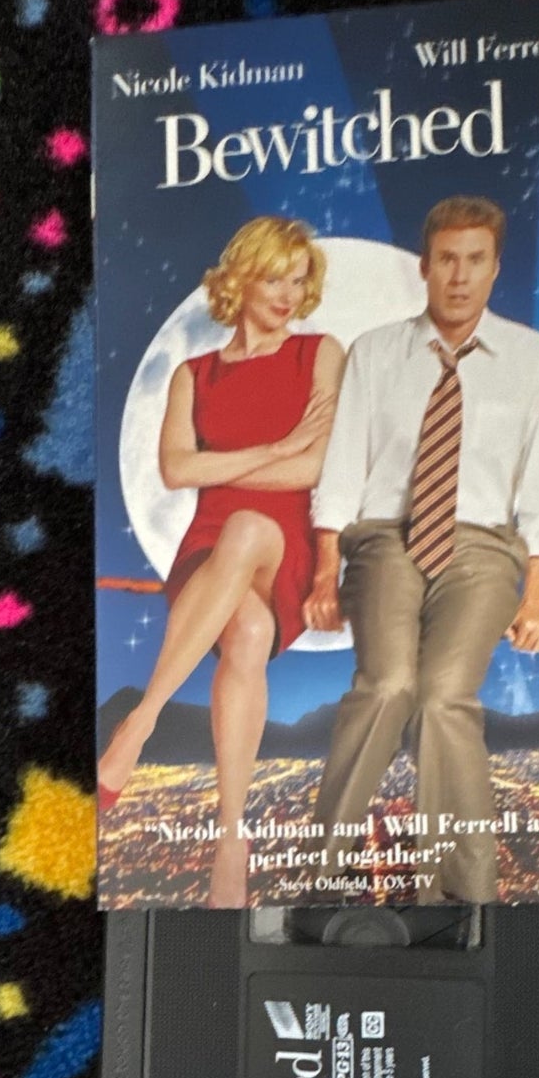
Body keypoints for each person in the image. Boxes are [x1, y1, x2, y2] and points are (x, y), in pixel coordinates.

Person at [303, 195, 539, 904]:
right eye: (447, 259)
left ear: (495, 268)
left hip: (483, 548)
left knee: (445, 697)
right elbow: (342, 471)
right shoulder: (376, 352)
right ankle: (317, 874)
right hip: (385, 539)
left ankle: (457, 896)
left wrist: (534, 602)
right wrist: (325, 573)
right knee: (388, 685)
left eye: (475, 260)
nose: (459, 275)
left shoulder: (532, 358)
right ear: (424, 266)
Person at [98, 216, 345, 908]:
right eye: (273, 278)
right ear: (239, 280)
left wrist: (239, 464)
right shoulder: (192, 374)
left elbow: (314, 468)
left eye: (298, 280)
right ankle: (231, 840)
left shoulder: (321, 353)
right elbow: (176, 471)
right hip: (205, 547)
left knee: (246, 525)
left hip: (284, 541)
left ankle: (140, 720)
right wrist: (276, 449)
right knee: (248, 633)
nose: (288, 294)